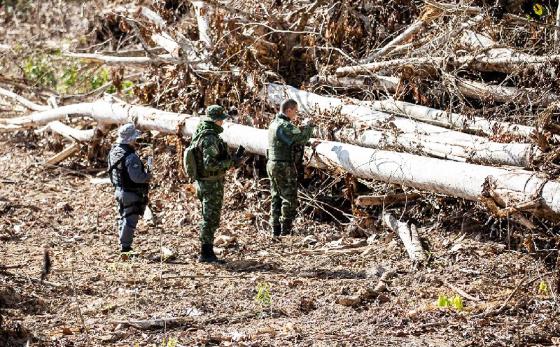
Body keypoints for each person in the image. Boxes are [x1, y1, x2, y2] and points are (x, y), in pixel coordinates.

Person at [187, 105, 243, 263]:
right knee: (210, 217)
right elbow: (210, 164)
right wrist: (230, 162)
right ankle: (206, 253)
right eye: (221, 120)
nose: (223, 123)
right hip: (210, 183)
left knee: (209, 216)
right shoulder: (210, 137)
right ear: (216, 120)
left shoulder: (202, 131)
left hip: (206, 182)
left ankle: (207, 250)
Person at [266, 99, 314, 237]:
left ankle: (275, 230)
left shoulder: (273, 124)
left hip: (272, 163)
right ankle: (285, 231)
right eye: (295, 111)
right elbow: (301, 138)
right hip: (284, 165)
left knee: (276, 196)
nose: (296, 114)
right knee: (289, 197)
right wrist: (310, 126)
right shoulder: (285, 125)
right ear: (289, 110)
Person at [107, 123, 151, 257]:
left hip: (119, 190)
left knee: (123, 217)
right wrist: (148, 176)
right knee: (130, 220)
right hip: (130, 193)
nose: (135, 140)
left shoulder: (114, 152)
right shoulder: (131, 156)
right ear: (130, 139)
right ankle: (125, 249)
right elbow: (137, 178)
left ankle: (123, 245)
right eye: (134, 138)